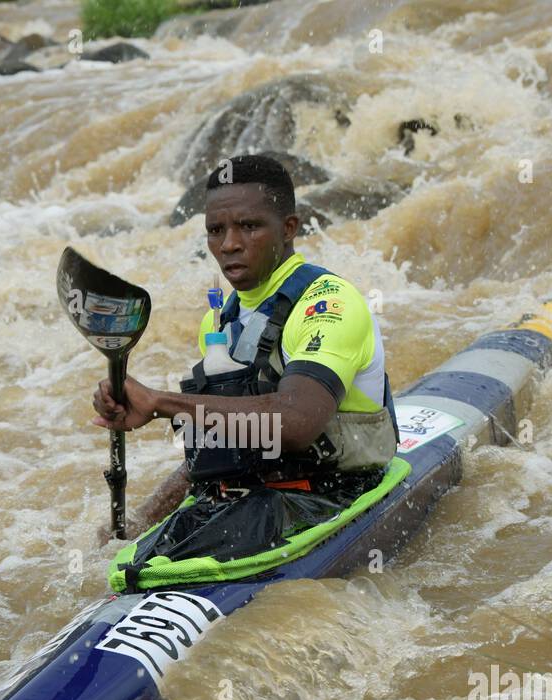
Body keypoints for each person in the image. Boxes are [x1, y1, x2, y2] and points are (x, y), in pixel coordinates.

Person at [91, 153, 398, 554]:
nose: (229, 244)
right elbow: (226, 440)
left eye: (249, 227)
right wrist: (143, 520)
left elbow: (298, 421)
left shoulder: (329, 305)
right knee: (137, 552)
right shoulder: (218, 323)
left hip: (336, 493)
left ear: (289, 228)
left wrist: (161, 403)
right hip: (255, 499)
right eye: (215, 230)